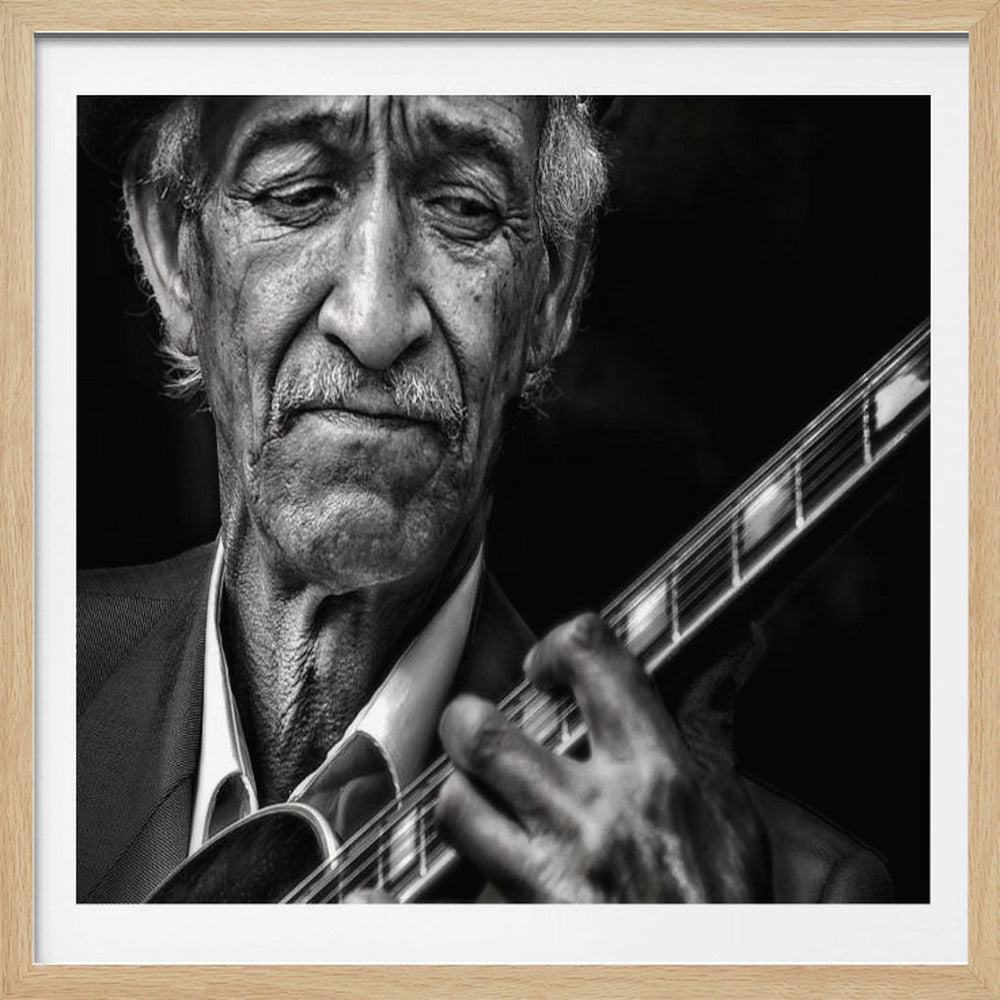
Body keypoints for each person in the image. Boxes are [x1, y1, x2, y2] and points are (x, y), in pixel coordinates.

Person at [77, 95, 893, 904]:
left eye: (464, 206)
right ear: (175, 252)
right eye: (298, 193)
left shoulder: (786, 913)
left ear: (553, 290)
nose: (373, 320)